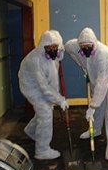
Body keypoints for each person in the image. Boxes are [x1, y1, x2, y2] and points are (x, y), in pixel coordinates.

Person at [65, 27, 108, 160]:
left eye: (89, 46)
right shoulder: (74, 46)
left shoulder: (103, 54)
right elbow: (68, 47)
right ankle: (96, 129)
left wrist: (92, 106)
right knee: (98, 100)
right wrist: (81, 64)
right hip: (94, 73)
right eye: (83, 46)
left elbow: (102, 83)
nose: (86, 49)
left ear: (94, 44)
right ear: (79, 45)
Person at [18, 30, 69, 160]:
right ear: (43, 46)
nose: (52, 50)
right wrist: (59, 100)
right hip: (32, 86)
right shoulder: (36, 60)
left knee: (46, 108)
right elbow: (44, 87)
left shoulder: (54, 56)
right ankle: (42, 150)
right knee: (45, 113)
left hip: (43, 85)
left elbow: (52, 78)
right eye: (49, 47)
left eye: (55, 47)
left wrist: (57, 98)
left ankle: (31, 131)